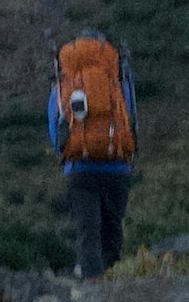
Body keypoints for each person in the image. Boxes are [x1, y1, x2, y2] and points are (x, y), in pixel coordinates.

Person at [47, 31, 137, 276]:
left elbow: (55, 129)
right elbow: (132, 118)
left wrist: (67, 154)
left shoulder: (64, 84)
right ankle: (114, 284)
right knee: (112, 230)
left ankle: (92, 291)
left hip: (80, 169)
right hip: (117, 167)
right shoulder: (117, 81)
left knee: (89, 233)